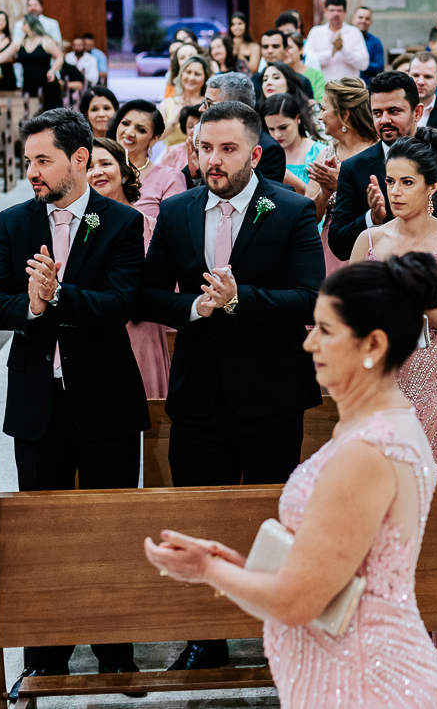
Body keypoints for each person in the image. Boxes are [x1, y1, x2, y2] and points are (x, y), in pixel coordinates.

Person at [145, 252, 437, 708]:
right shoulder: (385, 423)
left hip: (362, 680)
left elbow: (297, 602)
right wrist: (236, 565)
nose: (309, 344)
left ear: (373, 344)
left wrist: (207, 569)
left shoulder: (367, 451)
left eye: (325, 331)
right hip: (353, 665)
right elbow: (333, 569)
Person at [136, 100, 324, 672]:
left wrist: (241, 300)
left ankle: (279, 638)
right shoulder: (178, 211)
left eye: (227, 149)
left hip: (270, 396)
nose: (213, 160)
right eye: (204, 148)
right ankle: (205, 640)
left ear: (255, 154)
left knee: (271, 520)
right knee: (200, 518)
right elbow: (149, 294)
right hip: (198, 397)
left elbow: (308, 299)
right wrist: (193, 307)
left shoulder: (291, 210)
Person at [0, 107, 149, 692]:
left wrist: (57, 296)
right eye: (27, 161)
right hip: (38, 401)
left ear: (78, 159)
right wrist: (30, 305)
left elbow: (120, 304)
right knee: (41, 533)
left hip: (105, 399)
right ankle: (46, 652)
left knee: (110, 529)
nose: (32, 172)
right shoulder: (16, 221)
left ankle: (115, 651)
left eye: (42, 160)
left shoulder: (120, 222)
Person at [349, 126, 437, 659]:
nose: (396, 191)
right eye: (390, 181)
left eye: (408, 182)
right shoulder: (368, 241)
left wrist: (417, 294)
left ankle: (431, 635)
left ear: (433, 186)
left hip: (432, 388)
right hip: (378, 389)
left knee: (425, 509)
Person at [327, 70, 437, 264]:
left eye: (394, 111)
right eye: (377, 113)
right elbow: (339, 245)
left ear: (417, 112)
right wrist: (372, 218)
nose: (384, 120)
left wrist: (422, 218)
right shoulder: (353, 167)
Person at [87, 137, 170, 398]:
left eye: (105, 163)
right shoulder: (81, 231)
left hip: (140, 332)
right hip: (95, 334)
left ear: (124, 173)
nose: (96, 171)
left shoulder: (150, 227)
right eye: (89, 167)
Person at [306, 77, 380, 277]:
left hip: (372, 245)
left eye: (324, 109)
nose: (320, 117)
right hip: (330, 250)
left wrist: (343, 184)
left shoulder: (378, 153)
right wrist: (325, 192)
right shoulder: (325, 155)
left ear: (345, 114)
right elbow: (309, 217)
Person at [108, 99, 187, 221]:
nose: (129, 132)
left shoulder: (170, 178)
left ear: (154, 139)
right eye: (125, 123)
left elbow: (175, 226)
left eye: (140, 130)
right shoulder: (100, 170)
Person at [0, 15, 64, 111]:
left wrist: (53, 70)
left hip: (46, 82)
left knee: (50, 113)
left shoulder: (45, 41)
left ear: (31, 24)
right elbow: (2, 57)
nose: (22, 27)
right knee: (31, 112)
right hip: (28, 84)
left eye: (24, 24)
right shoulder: (20, 43)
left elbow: (59, 57)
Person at [262, 92, 327, 184]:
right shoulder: (265, 154)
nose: (277, 135)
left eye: (283, 127)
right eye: (271, 129)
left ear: (297, 118)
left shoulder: (318, 152)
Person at [307, 0, 369, 82]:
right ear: (325, 11)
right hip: (323, 86)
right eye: (332, 10)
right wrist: (331, 53)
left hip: (348, 86)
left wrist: (343, 50)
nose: (335, 14)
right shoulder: (316, 32)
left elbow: (364, 64)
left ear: (345, 12)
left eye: (339, 10)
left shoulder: (354, 32)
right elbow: (308, 61)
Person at [159, 54, 210, 147]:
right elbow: (158, 136)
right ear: (181, 74)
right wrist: (177, 119)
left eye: (197, 74)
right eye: (188, 72)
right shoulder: (167, 103)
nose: (191, 78)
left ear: (205, 78)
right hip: (172, 154)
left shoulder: (210, 104)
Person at [286, 31, 326, 101]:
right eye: (284, 48)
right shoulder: (278, 74)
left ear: (301, 49)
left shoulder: (316, 74)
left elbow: (321, 101)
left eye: (289, 47)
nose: (285, 51)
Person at [353, 6, 386, 84]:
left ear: (371, 22)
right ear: (353, 19)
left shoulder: (375, 42)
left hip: (366, 86)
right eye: (360, 17)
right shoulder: (344, 39)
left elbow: (380, 67)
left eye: (367, 19)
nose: (363, 21)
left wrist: (360, 63)